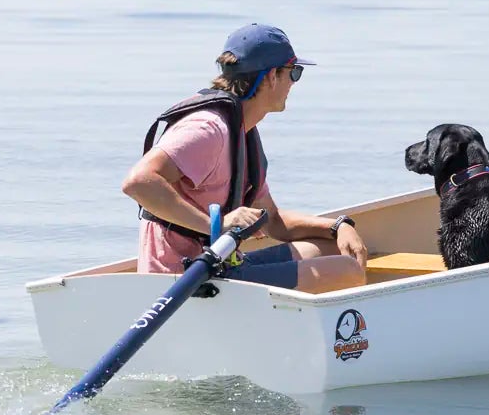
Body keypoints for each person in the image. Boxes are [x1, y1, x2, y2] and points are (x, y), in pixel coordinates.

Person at [123, 23, 368, 292]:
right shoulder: (208, 129)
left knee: (334, 247)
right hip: (184, 281)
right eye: (294, 73)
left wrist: (338, 226)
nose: (294, 83)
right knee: (347, 270)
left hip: (223, 266)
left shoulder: (242, 132)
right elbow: (138, 182)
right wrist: (213, 225)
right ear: (272, 76)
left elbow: (273, 221)